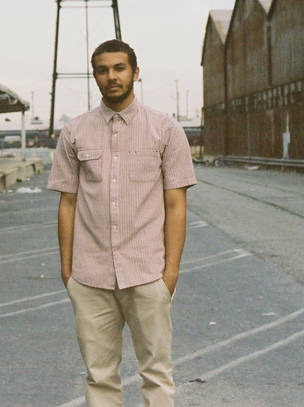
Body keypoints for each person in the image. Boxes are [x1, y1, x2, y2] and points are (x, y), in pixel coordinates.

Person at [47, 39, 197, 406]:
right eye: (102, 70)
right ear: (95, 76)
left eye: (119, 68)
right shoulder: (74, 132)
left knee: (157, 374)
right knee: (99, 376)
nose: (111, 76)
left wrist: (170, 274)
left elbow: (176, 204)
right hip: (90, 276)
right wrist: (68, 271)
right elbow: (68, 203)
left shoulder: (165, 130)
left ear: (135, 73)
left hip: (147, 273)